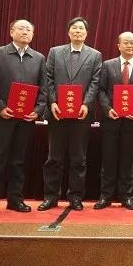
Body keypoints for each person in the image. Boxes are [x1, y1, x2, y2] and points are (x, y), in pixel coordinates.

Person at [0, 19, 46, 217]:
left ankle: (15, 199)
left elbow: (44, 89)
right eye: (21, 28)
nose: (25, 32)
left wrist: (38, 110)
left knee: (18, 160)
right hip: (3, 117)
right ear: (11, 32)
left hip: (26, 119)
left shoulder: (39, 58)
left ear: (33, 34)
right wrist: (0, 108)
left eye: (29, 30)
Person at [38, 17, 102, 211]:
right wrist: (52, 102)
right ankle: (51, 196)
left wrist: (87, 104)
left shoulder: (95, 55)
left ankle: (75, 197)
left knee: (78, 159)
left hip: (81, 114)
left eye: (81, 28)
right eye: (74, 28)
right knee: (54, 158)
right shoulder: (55, 52)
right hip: (57, 112)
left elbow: (95, 82)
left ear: (86, 33)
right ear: (68, 32)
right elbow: (47, 78)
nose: (78, 31)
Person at [94, 32, 133, 210]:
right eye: (126, 42)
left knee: (128, 160)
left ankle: (127, 196)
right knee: (108, 159)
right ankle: (105, 196)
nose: (129, 45)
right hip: (111, 119)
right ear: (118, 45)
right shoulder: (107, 65)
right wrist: (107, 109)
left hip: (132, 121)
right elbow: (101, 90)